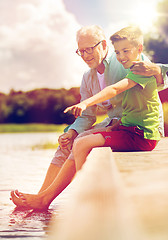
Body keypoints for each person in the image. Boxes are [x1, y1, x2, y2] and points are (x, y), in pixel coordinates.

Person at [10, 25, 168, 210]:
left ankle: (49, 199)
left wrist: (157, 71)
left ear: (102, 45)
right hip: (113, 124)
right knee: (67, 144)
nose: (85, 56)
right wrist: (72, 131)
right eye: (80, 51)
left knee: (83, 140)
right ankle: (41, 197)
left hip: (133, 126)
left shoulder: (123, 59)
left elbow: (154, 73)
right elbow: (87, 116)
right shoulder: (87, 77)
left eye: (89, 49)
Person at [65, 26, 161, 171]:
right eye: (117, 52)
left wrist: (85, 103)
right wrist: (110, 128)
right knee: (81, 141)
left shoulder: (140, 70)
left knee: (81, 143)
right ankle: (80, 188)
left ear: (139, 49)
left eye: (125, 51)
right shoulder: (124, 72)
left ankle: (83, 188)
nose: (121, 57)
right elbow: (126, 111)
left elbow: (113, 89)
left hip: (141, 136)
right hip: (127, 129)